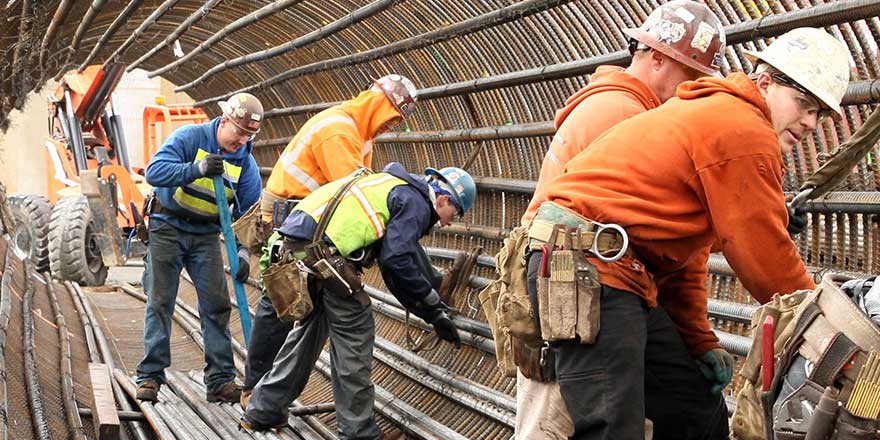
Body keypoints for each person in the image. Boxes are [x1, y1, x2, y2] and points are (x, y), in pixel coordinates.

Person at [530, 27, 849, 439]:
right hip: (588, 268)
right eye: (803, 103)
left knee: (694, 409)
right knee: (613, 427)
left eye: (820, 114)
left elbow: (685, 253)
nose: (809, 122)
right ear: (765, 83)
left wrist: (698, 341)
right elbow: (764, 257)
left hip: (619, 272)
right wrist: (826, 327)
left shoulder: (719, 121)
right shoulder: (742, 129)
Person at [512, 2, 726, 438]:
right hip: (579, 289)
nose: (694, 92)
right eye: (692, 77)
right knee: (564, 424)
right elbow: (667, 230)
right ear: (657, 58)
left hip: (578, 287)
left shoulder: (614, 107)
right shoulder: (627, 116)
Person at [240, 162, 477, 437]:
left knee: (307, 336)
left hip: (298, 253)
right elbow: (396, 261)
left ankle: (263, 410)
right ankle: (358, 432)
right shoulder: (417, 202)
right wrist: (432, 310)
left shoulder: (391, 185)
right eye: (455, 213)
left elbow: (407, 250)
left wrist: (432, 289)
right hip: (324, 260)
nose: (450, 222)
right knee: (355, 338)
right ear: (445, 199)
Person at [241, 75, 427, 408]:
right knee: (280, 303)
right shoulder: (339, 130)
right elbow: (352, 192)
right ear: (377, 103)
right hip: (292, 221)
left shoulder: (361, 134)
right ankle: (253, 389)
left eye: (400, 121)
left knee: (301, 307)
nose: (394, 125)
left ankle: (266, 400)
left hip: (306, 221)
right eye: (394, 116)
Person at [135, 92, 264, 403]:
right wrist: (197, 168)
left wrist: (244, 254)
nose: (241, 140)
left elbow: (249, 216)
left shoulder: (245, 163)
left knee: (217, 305)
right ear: (224, 121)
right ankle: (150, 377)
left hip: (205, 234)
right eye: (238, 131)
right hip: (168, 225)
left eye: (249, 135)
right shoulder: (190, 138)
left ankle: (220, 380)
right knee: (160, 300)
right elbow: (155, 172)